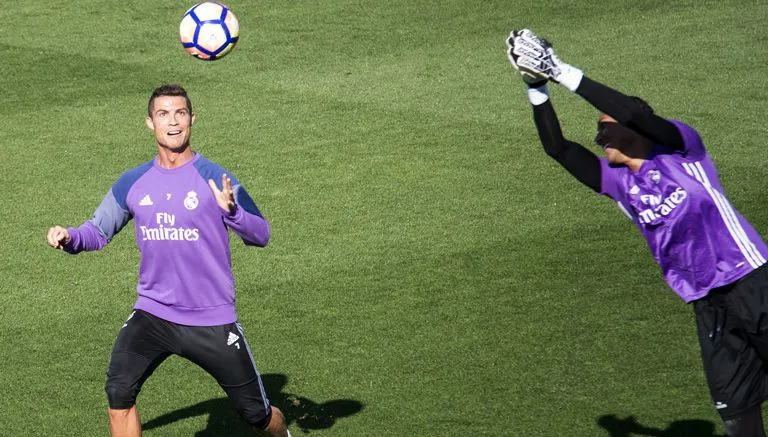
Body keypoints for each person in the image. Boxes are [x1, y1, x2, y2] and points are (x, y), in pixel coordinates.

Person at [506, 29, 768, 437]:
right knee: (736, 411)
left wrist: (561, 71)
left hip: (752, 279)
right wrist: (537, 87)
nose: (599, 135)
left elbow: (634, 115)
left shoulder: (681, 149)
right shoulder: (617, 183)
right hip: (706, 302)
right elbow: (558, 148)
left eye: (605, 125)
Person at [46, 84, 292, 437]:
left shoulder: (216, 179)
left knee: (256, 414)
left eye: (180, 113)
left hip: (211, 319)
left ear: (192, 119)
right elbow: (97, 232)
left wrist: (235, 213)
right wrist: (69, 237)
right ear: (149, 123)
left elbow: (261, 234)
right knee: (119, 393)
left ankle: (281, 432)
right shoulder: (133, 182)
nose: (173, 122)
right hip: (153, 313)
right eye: (163, 114)